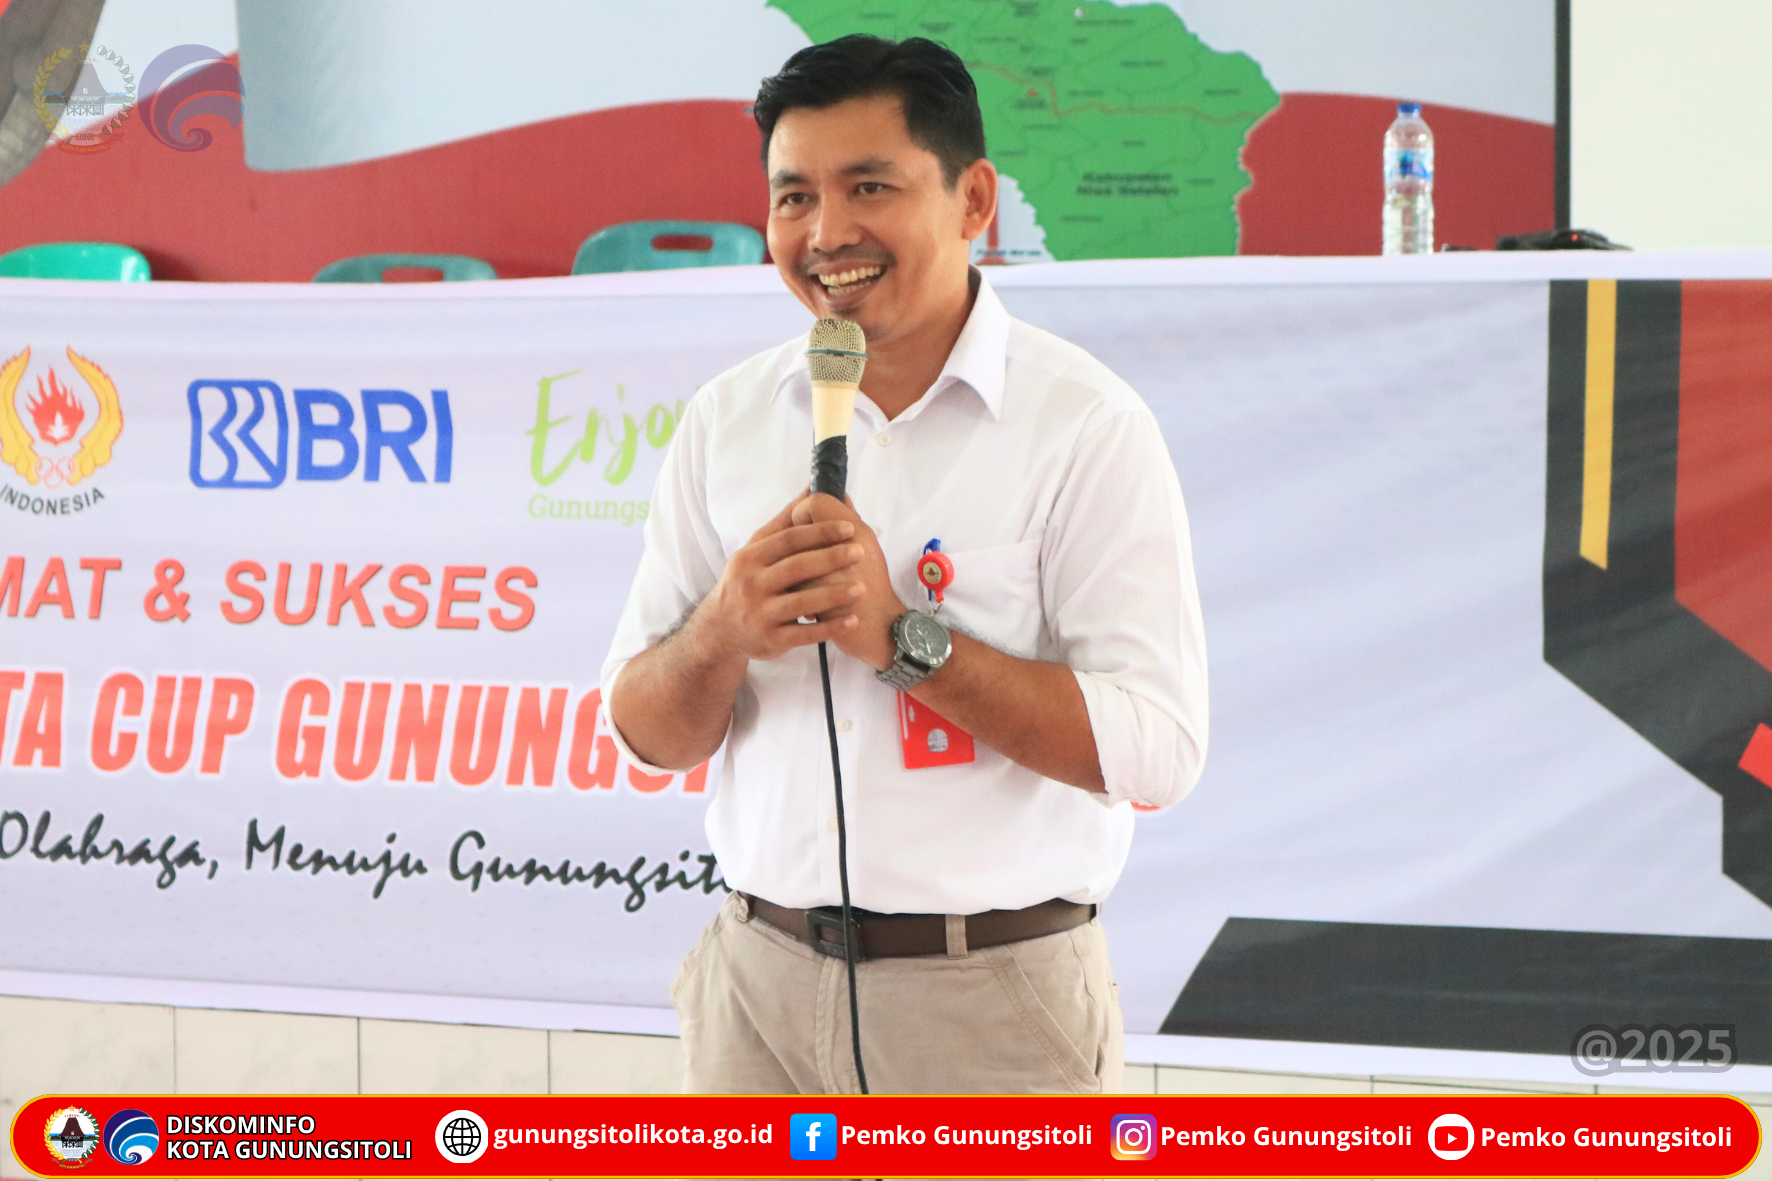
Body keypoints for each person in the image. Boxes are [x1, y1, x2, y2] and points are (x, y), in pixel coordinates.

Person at [600, 34, 1207, 1094]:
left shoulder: (1084, 424)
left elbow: (1156, 750)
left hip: (989, 1000)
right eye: (793, 197)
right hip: (757, 992)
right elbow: (647, 736)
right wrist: (722, 631)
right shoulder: (726, 419)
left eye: (867, 186)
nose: (826, 233)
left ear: (973, 200)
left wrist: (898, 635)